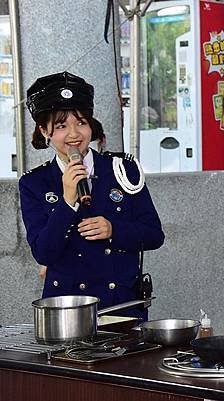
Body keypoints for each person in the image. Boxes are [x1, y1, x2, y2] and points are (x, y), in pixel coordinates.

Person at [19, 71, 165, 319]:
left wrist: (113, 229)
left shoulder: (122, 170)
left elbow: (154, 234)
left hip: (121, 305)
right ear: (45, 131)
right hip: (67, 310)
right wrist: (67, 201)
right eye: (62, 126)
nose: (74, 134)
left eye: (81, 122)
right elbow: (43, 253)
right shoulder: (34, 183)